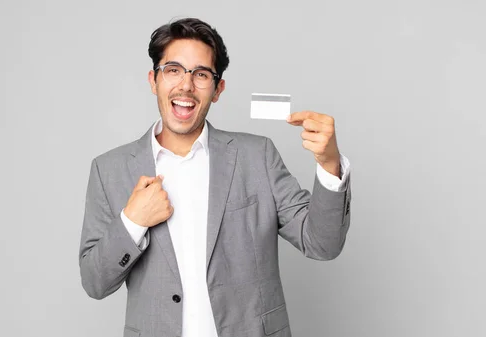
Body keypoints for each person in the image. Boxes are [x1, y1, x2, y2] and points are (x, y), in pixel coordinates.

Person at [79, 17, 352, 337]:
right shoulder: (109, 170)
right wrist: (132, 221)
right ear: (154, 80)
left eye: (201, 74)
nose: (186, 85)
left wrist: (330, 164)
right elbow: (94, 282)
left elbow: (322, 243)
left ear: (218, 88)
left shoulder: (257, 156)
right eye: (174, 70)